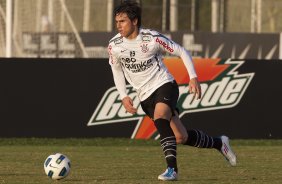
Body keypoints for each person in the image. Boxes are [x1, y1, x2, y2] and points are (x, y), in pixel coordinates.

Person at [108, 1, 236, 181]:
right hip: (144, 96)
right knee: (180, 137)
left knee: (161, 119)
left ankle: (172, 170)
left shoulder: (152, 38)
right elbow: (117, 70)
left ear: (135, 21)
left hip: (164, 84)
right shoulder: (114, 45)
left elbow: (182, 51)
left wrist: (193, 77)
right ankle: (219, 143)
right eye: (117, 22)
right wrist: (123, 95)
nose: (118, 26)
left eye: (122, 21)